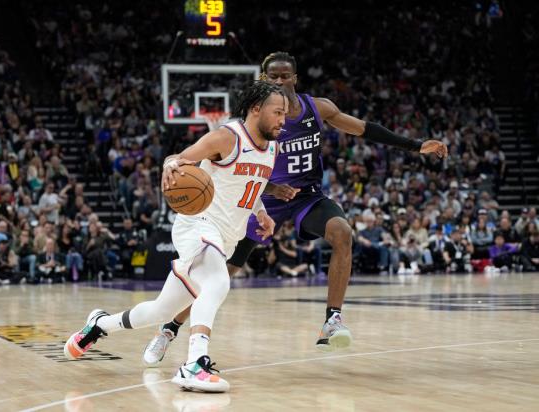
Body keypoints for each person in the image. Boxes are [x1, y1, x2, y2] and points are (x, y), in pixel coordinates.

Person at [143, 51, 448, 365]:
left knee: (342, 232)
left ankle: (332, 320)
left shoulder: (318, 107)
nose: (279, 81)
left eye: (285, 75)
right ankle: (169, 329)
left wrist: (415, 145)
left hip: (307, 197)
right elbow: (245, 170)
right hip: (259, 201)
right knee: (221, 274)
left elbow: (362, 128)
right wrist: (273, 188)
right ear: (263, 80)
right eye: (273, 76)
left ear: (295, 78)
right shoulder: (254, 121)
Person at [63, 81, 285, 393]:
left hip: (226, 236)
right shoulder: (227, 136)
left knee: (160, 311)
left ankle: (98, 325)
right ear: (256, 109)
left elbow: (250, 183)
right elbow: (180, 159)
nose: (282, 120)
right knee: (219, 282)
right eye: (278, 113)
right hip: (199, 223)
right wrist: (170, 164)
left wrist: (261, 212)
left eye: (285, 115)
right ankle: (195, 363)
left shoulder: (272, 148)